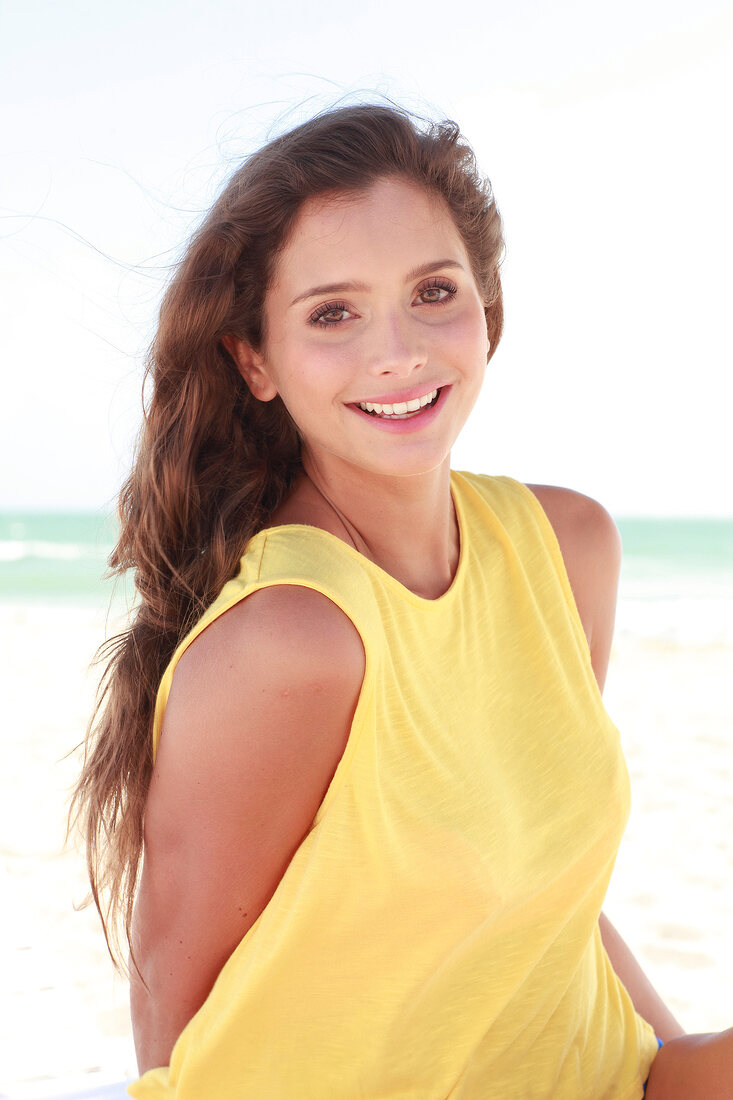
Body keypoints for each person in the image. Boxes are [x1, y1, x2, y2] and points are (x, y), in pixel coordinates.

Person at [71, 103, 732, 1099]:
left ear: (487, 309)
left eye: (433, 291)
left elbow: (543, 895)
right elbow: (176, 1015)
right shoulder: (293, 640)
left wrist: (672, 1067)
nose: (399, 351)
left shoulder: (566, 546)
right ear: (255, 359)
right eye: (332, 312)